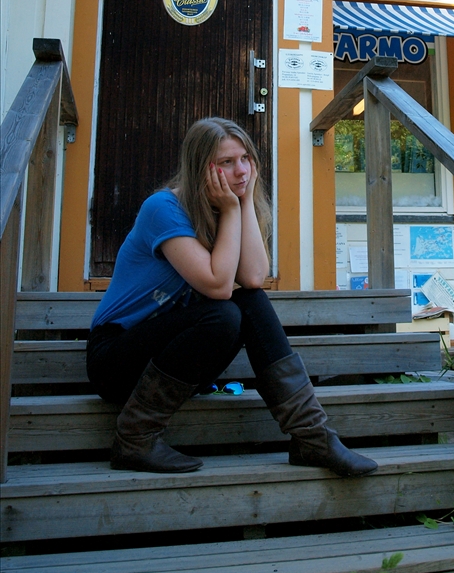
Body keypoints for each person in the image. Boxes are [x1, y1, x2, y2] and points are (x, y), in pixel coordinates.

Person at [86, 117, 377, 478]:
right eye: (226, 162)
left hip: (170, 360)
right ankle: (134, 439)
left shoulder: (228, 204)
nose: (241, 171)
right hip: (115, 358)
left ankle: (312, 438)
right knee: (223, 313)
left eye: (246, 159)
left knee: (249, 304)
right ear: (200, 168)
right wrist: (230, 208)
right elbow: (218, 285)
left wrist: (241, 204)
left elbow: (254, 278)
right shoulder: (162, 209)